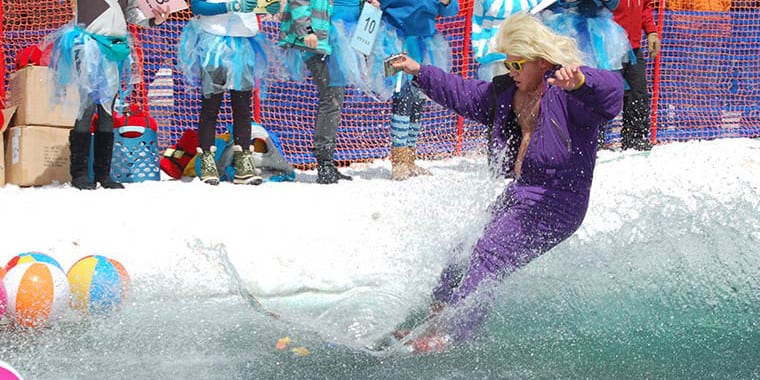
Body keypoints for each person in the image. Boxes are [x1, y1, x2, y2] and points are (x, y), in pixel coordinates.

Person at [388, 12, 623, 353]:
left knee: (489, 253)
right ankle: (435, 314)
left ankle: (456, 335)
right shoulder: (507, 93)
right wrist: (419, 71)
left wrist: (582, 83)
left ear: (542, 62)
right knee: (463, 247)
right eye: (507, 65)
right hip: (520, 193)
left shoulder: (571, 96)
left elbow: (612, 95)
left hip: (559, 202)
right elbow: (463, 92)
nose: (510, 72)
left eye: (517, 65)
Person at [48, 1, 169, 190]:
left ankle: (103, 174)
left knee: (107, 111)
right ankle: (79, 174)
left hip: (113, 49)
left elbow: (131, 15)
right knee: (86, 108)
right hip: (89, 45)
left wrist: (156, 20)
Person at [279, 0, 379, 184]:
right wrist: (306, 30)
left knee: (335, 97)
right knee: (331, 96)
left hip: (348, 34)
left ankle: (327, 161)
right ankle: (324, 162)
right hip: (323, 36)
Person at [177, 0, 276, 185]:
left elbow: (253, 4)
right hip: (214, 40)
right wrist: (232, 6)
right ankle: (207, 160)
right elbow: (198, 6)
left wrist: (265, 7)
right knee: (211, 106)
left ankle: (243, 163)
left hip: (243, 40)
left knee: (242, 108)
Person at [375, 0, 460, 180]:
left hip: (425, 43)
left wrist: (447, 2)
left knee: (418, 100)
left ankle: (410, 159)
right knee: (403, 97)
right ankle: (398, 161)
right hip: (398, 41)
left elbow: (452, 11)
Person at [613, 0, 660, 150]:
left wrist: (651, 31)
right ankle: (594, 138)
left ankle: (635, 137)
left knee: (638, 92)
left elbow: (646, 7)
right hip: (608, 46)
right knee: (603, 93)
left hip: (633, 47)